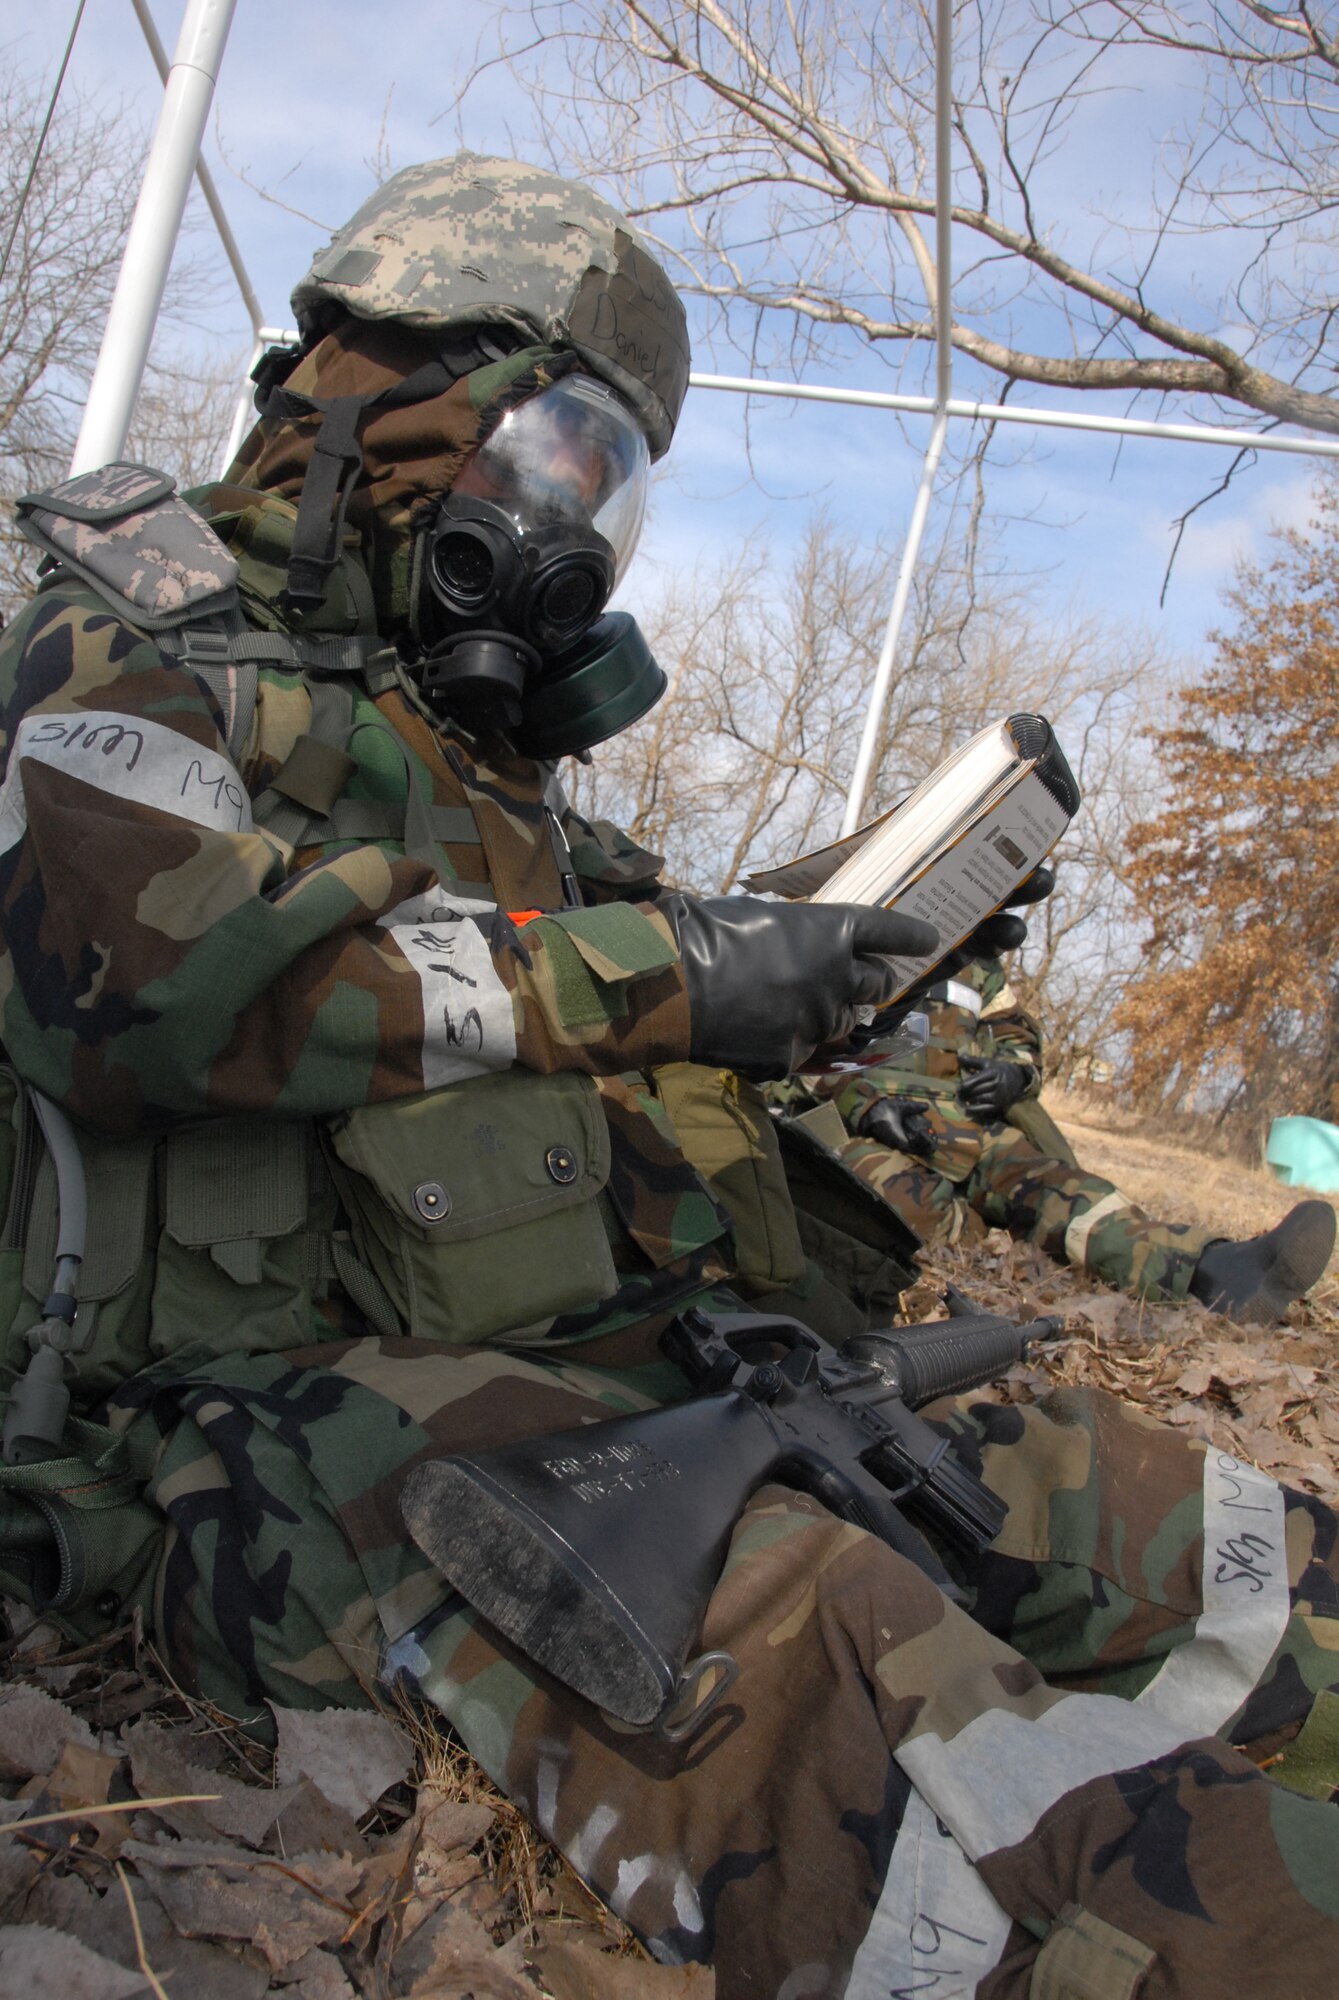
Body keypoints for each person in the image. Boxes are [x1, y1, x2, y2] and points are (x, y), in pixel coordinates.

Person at [0, 155, 1336, 2000]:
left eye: (603, 484)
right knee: (832, 1647)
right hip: (257, 1422)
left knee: (1148, 1512)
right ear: (389, 393)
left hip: (626, 1365)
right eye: (555, 458)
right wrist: (671, 977)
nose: (575, 525)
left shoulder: (465, 744)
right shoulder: (128, 631)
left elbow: (644, 964)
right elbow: (134, 988)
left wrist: (839, 947)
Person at [786, 949, 1337, 1324]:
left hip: (968, 1119)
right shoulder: (841, 943)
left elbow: (1015, 1030)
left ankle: (1214, 1270)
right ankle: (980, 1225)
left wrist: (1015, 1071)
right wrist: (863, 1102)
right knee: (910, 1209)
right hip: (868, 1126)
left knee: (1060, 1188)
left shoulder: (977, 960)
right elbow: (787, 1057)